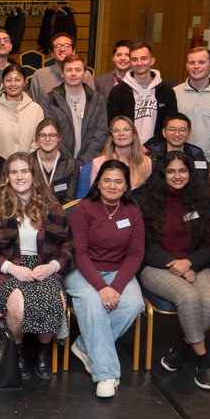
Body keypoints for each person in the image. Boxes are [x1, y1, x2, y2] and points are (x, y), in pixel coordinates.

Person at [0, 152, 71, 384]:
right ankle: (16, 350)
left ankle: (43, 350)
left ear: (33, 174)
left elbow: (67, 246)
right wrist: (11, 268)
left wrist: (53, 266)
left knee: (54, 300)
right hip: (6, 269)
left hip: (42, 267)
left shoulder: (51, 206)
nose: (20, 176)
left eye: (24, 171)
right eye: (14, 172)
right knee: (17, 306)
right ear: (7, 176)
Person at [134, 151, 210, 391]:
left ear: (190, 173)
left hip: (196, 263)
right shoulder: (145, 201)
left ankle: (180, 348)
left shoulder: (202, 200)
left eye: (182, 170)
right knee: (188, 297)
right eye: (171, 171)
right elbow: (143, 245)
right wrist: (176, 264)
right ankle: (204, 361)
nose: (177, 176)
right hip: (157, 266)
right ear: (162, 174)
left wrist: (190, 263)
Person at [65, 159, 146, 399]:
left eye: (118, 181)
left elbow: (136, 254)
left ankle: (84, 345)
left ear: (126, 186)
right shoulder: (84, 209)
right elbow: (80, 253)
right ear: (98, 183)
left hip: (118, 271)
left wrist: (116, 286)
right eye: (107, 180)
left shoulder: (133, 212)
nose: (112, 186)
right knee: (92, 304)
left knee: (133, 303)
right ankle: (106, 375)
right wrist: (101, 288)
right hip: (82, 270)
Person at [107, 42, 177, 145]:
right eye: (134, 60)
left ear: (152, 61)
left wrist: (149, 147)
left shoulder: (166, 91)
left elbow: (170, 124)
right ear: (130, 62)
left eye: (144, 58)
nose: (139, 63)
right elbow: (114, 124)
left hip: (157, 149)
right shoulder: (117, 92)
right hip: (127, 148)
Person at [43, 54, 107, 163]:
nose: (73, 74)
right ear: (62, 74)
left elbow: (100, 134)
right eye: (69, 70)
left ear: (85, 73)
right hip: (59, 162)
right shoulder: (50, 100)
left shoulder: (97, 100)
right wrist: (70, 164)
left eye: (78, 70)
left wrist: (83, 162)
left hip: (89, 163)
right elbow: (51, 134)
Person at [77, 115, 153, 198]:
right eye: (116, 131)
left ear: (134, 133)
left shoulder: (146, 163)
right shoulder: (98, 162)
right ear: (111, 136)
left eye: (126, 130)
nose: (121, 134)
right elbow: (95, 197)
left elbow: (149, 197)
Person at [0, 63, 44, 157]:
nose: (13, 84)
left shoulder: (36, 109)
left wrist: (26, 161)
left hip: (29, 165)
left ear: (25, 82)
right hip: (0, 166)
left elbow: (38, 140)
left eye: (17, 80)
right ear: (3, 83)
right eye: (8, 80)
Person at [29, 33, 93, 107]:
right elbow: (33, 105)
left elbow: (91, 105)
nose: (62, 49)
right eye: (58, 46)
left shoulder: (85, 75)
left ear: (73, 51)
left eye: (67, 46)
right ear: (52, 53)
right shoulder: (40, 75)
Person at [145, 113, 209, 187]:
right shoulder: (152, 154)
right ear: (164, 132)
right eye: (172, 129)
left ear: (189, 133)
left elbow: (203, 183)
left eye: (182, 130)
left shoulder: (196, 154)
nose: (177, 134)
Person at [32, 118, 80, 204]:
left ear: (59, 138)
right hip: (32, 213)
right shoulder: (27, 163)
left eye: (52, 135)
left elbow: (69, 201)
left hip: (62, 214)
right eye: (42, 135)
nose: (47, 139)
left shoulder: (71, 165)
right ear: (37, 139)